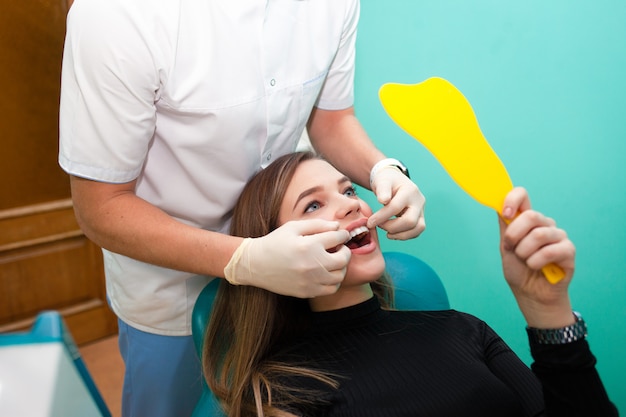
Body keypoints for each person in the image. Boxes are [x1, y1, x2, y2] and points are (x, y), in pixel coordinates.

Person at [57, 0, 426, 415]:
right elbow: (100, 208)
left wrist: (382, 170)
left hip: (295, 278)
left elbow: (331, 120)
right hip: (168, 282)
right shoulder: (116, 15)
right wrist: (247, 258)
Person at [203, 151, 618, 417]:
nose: (353, 203)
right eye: (314, 204)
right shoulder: (280, 394)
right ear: (273, 249)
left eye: (348, 190)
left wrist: (547, 312)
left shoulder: (463, 330)